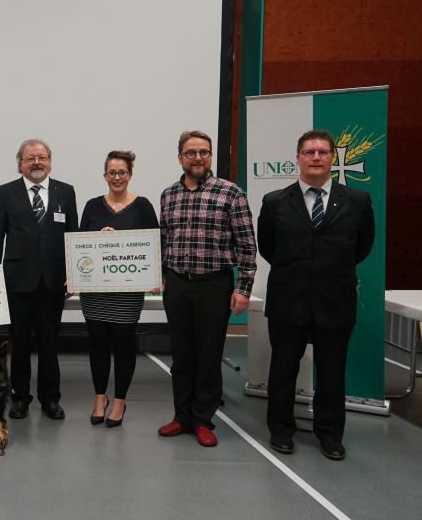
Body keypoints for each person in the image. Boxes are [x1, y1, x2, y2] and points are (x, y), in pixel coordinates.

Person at [258, 130, 375, 461]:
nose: (316, 157)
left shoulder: (357, 201)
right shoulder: (275, 202)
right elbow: (268, 247)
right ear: (297, 158)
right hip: (287, 299)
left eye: (323, 152)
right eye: (309, 152)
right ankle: (281, 430)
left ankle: (330, 434)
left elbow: (362, 247)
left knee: (332, 371)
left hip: (334, 300)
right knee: (282, 368)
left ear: (332, 158)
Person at [157, 131, 256, 447]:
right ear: (180, 158)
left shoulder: (231, 194)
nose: (197, 157)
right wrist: (161, 275)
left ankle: (203, 420)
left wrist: (243, 288)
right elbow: (164, 240)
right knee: (182, 356)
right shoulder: (168, 195)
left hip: (214, 285)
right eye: (191, 152)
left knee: (209, 355)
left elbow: (247, 245)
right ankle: (181, 416)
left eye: (204, 152)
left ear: (211, 156)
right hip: (177, 285)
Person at [0, 139, 77, 420]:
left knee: (50, 344)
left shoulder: (66, 191)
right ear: (20, 164)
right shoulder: (5, 192)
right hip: (17, 280)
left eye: (42, 157)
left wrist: (74, 276)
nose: (36, 163)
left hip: (53, 282)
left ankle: (51, 399)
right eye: (30, 159)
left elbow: (72, 236)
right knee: (21, 341)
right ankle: (20, 398)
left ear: (50, 161)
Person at [79, 151, 160, 428]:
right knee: (98, 344)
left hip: (127, 293)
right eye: (111, 172)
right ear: (105, 176)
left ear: (130, 175)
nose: (116, 177)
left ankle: (120, 401)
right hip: (95, 293)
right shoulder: (91, 206)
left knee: (124, 344)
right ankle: (100, 398)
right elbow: (79, 246)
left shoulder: (143, 206)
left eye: (122, 172)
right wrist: (96, 239)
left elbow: (154, 246)